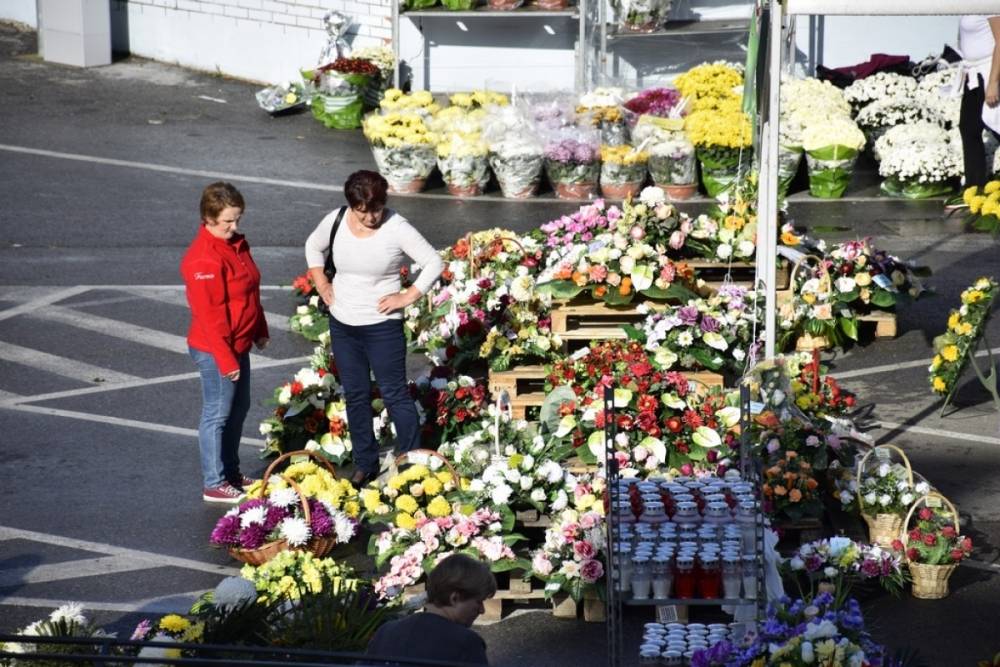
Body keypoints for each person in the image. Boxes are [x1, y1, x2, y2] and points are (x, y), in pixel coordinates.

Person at [304, 170, 443, 486]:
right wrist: (322, 282)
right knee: (355, 395)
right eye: (362, 211)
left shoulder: (396, 227)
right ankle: (365, 463)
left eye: (376, 209)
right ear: (351, 206)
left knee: (394, 394)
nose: (370, 217)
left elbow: (433, 262)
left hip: (382, 327)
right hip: (343, 324)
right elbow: (313, 246)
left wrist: (407, 295)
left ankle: (409, 462)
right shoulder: (337, 219)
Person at [181, 182, 269, 503]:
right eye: (227, 221)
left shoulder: (235, 245)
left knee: (238, 407)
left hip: (238, 344)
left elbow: (249, 291)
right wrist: (226, 360)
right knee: (217, 413)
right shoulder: (203, 259)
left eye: (238, 219)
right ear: (208, 218)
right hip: (216, 348)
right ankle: (214, 481)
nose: (235, 227)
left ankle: (230, 472)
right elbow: (209, 317)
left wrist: (259, 328)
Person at [366, 554, 495, 666]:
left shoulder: (386, 631)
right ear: (454, 598)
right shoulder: (466, 643)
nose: (482, 610)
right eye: (478, 601)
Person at [958, 15, 1000, 189]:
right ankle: (975, 188)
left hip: (989, 72)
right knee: (969, 127)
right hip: (974, 74)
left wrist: (993, 82)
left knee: (995, 124)